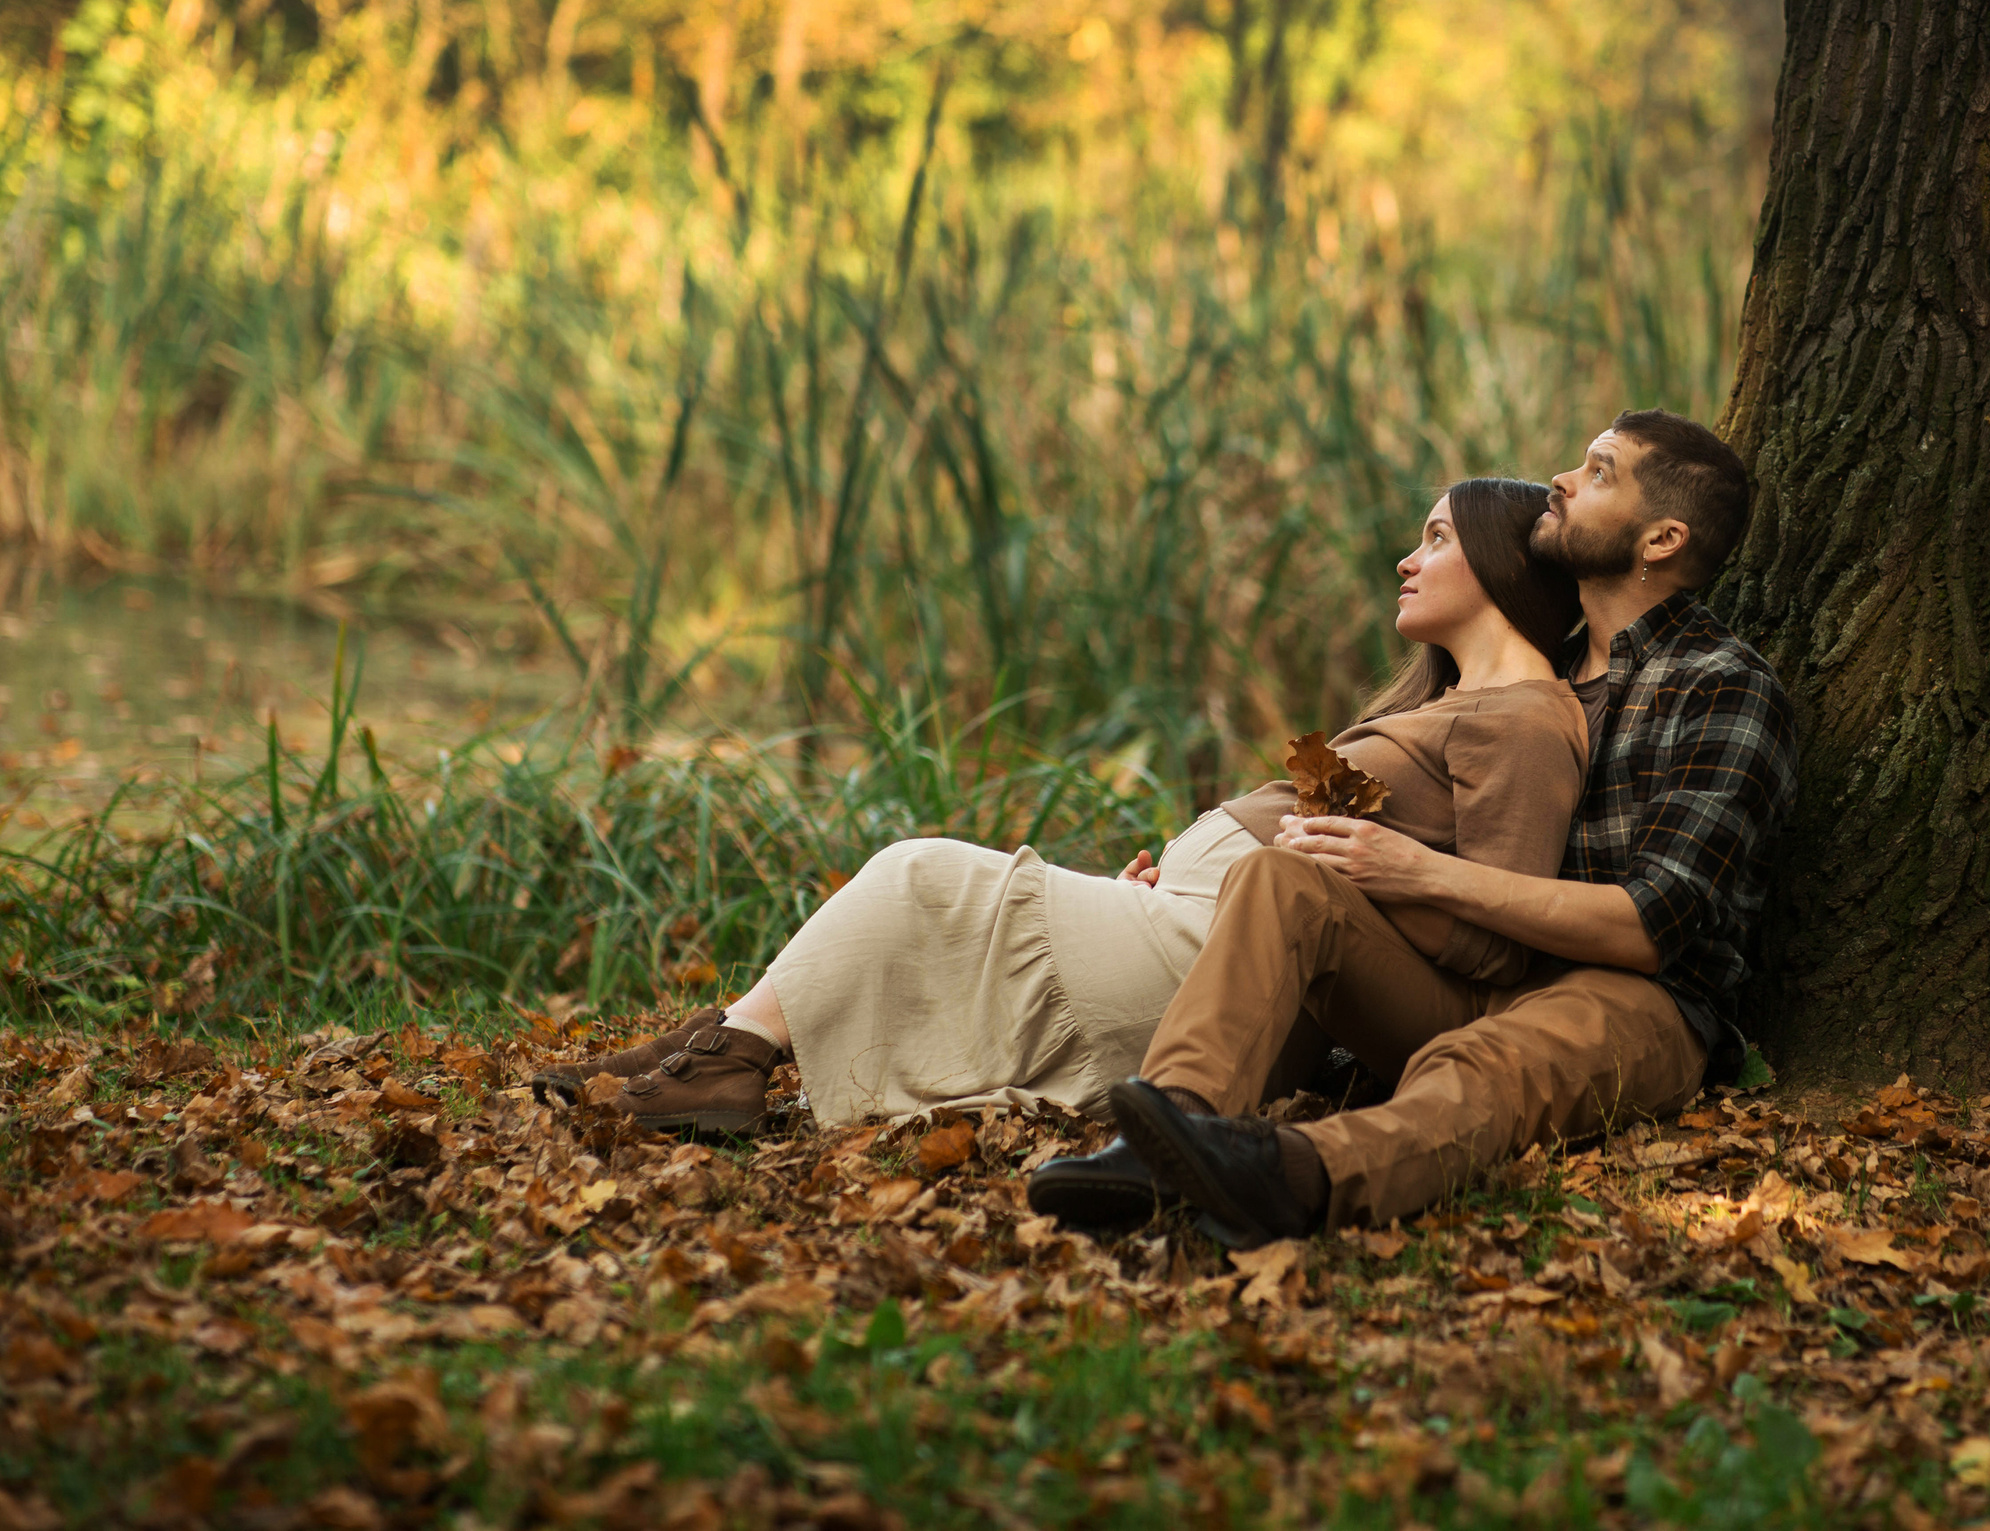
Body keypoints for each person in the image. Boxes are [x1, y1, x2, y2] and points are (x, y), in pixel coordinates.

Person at [533, 478, 1591, 1138]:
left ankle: (725, 1059)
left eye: (1437, 538)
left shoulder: (1527, 720)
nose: (1408, 558)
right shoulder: (1449, 704)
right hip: (1186, 919)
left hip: (1224, 953)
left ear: (1501, 563)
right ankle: (719, 1048)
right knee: (940, 894)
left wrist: (1375, 873)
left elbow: (1491, 946)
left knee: (922, 874)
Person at [1028, 408, 1797, 1244]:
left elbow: (1652, 926)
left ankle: (1290, 1177)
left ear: (1662, 539)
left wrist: (1417, 870)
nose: (1563, 481)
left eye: (1599, 472)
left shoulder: (1721, 685)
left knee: (1488, 1065)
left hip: (1639, 1000)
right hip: (1475, 976)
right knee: (1282, 881)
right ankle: (1170, 1130)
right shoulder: (1538, 672)